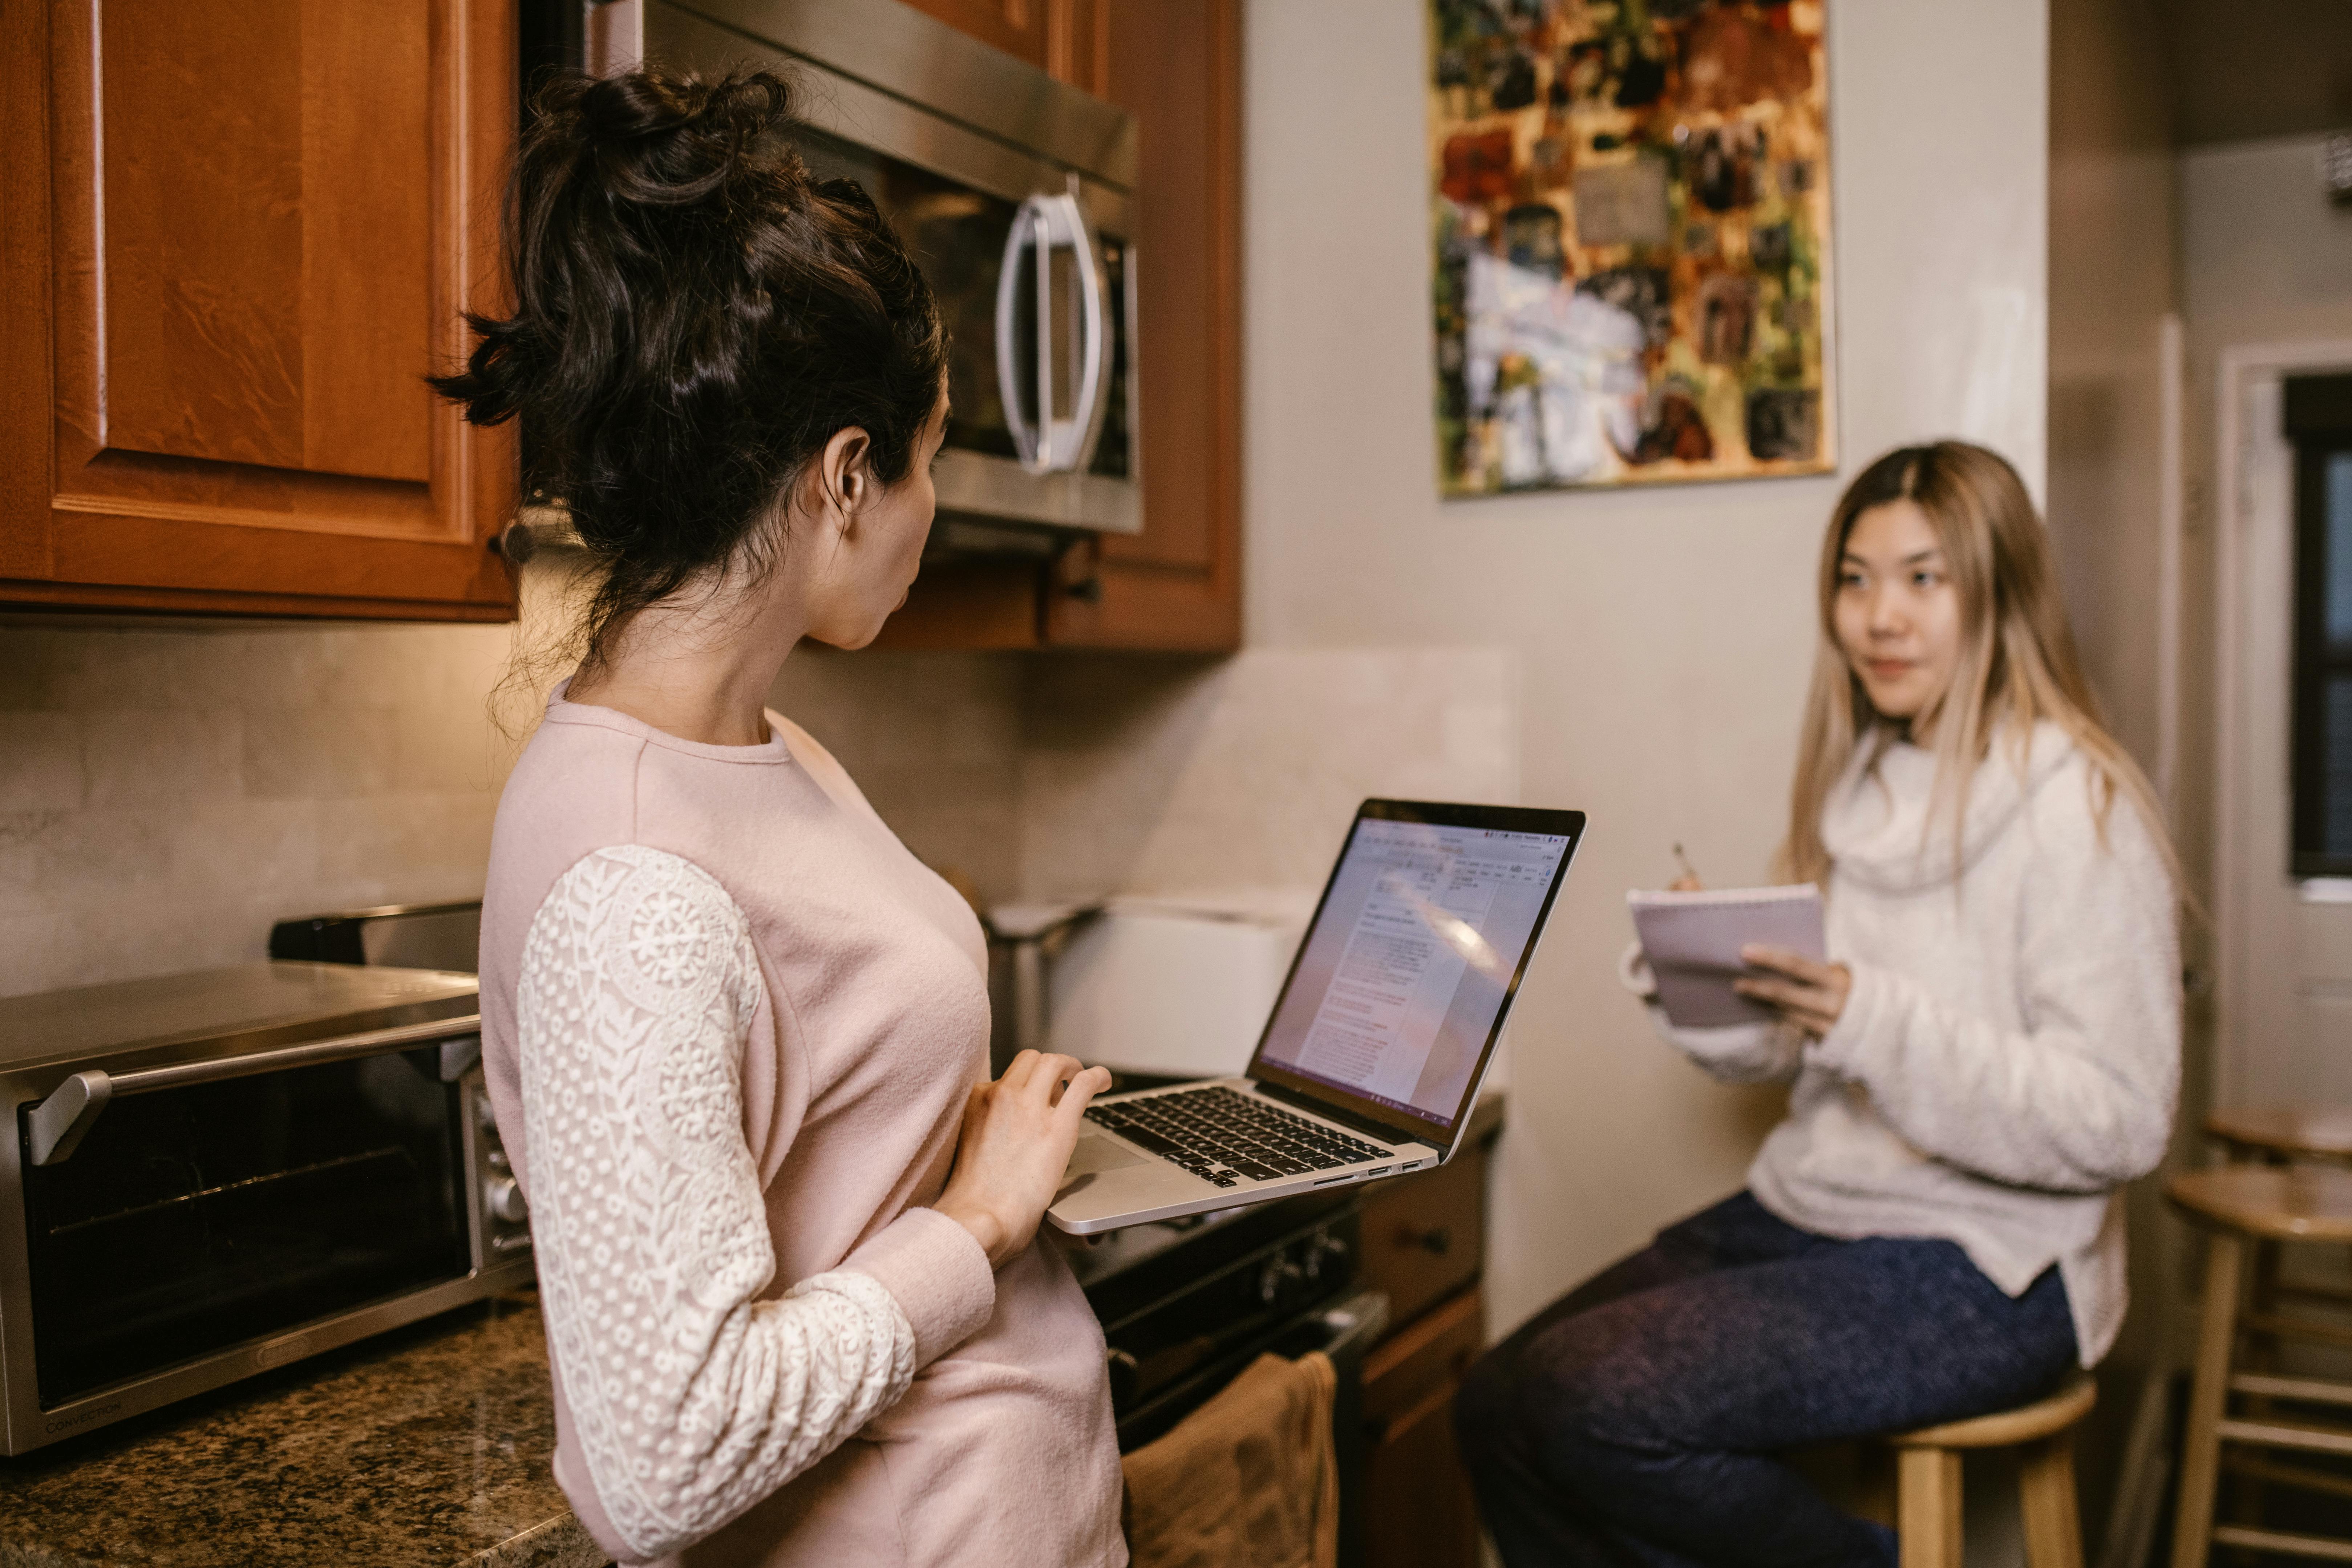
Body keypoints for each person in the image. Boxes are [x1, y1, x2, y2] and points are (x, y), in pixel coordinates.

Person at [438, 67, 1125, 1568]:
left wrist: (979, 1153)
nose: (933, 509)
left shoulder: (761, 743)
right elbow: (662, 1464)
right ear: (841, 479)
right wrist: (981, 1226)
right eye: (929, 458)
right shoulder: (632, 883)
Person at [1455, 441, 2181, 1567]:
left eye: (1922, 579)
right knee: (1499, 1402)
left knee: (1589, 1399)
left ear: (1998, 593)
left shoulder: (2075, 806)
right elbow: (1802, 1055)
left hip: (1993, 1262)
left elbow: (2118, 1120)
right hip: (1810, 1210)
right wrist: (1704, 978)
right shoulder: (1858, 785)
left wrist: (1864, 1017)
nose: (1877, 617)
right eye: (1854, 577)